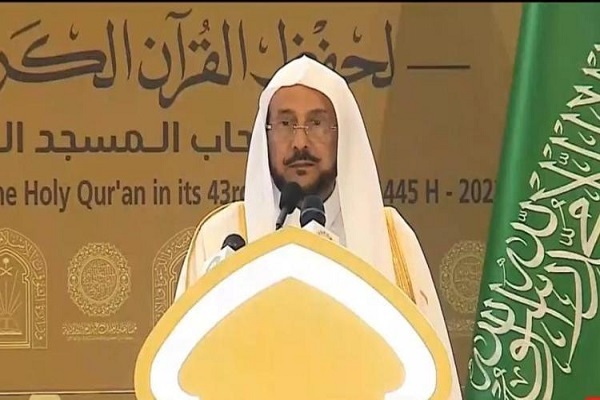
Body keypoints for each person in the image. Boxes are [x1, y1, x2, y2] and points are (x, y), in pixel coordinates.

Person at [174, 55, 462, 399]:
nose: (300, 143)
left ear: (343, 136)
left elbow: (435, 377)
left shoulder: (391, 237)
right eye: (285, 124)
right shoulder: (223, 237)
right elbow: (186, 371)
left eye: (317, 123)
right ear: (266, 136)